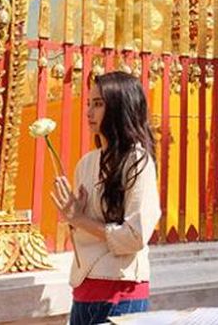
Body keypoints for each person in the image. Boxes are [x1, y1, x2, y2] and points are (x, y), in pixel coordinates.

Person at [51, 72, 161, 325]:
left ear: (121, 106)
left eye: (98, 104)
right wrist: (72, 217)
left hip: (122, 295)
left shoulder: (138, 162)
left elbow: (135, 236)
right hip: (83, 292)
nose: (89, 111)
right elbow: (82, 232)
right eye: (89, 103)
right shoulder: (86, 163)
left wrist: (79, 219)